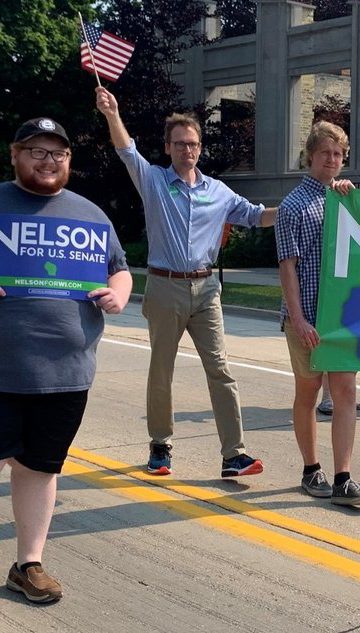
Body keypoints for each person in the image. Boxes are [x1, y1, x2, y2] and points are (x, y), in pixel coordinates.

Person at [95, 87, 273, 478]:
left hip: (206, 289)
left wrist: (303, 207)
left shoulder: (218, 192)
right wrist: (112, 113)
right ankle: (161, 447)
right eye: (179, 144)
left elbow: (257, 216)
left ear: (199, 147)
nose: (187, 150)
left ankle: (234, 455)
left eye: (192, 144)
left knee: (221, 369)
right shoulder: (154, 181)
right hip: (164, 286)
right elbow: (126, 151)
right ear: (167, 147)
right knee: (162, 369)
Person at [1, 117, 132, 602]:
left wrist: (118, 295)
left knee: (40, 467)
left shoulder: (90, 216)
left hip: (65, 372)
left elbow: (120, 270)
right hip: (1, 365)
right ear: (15, 154)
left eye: (57, 153)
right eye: (37, 150)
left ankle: (27, 564)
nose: (48, 160)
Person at [275, 121, 360, 506]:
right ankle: (310, 468)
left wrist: (348, 197)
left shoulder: (345, 199)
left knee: (346, 392)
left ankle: (343, 477)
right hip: (308, 317)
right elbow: (287, 266)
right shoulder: (293, 205)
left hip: (343, 319)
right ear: (311, 156)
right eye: (325, 153)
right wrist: (298, 319)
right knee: (308, 392)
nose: (332, 160)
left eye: (338, 154)